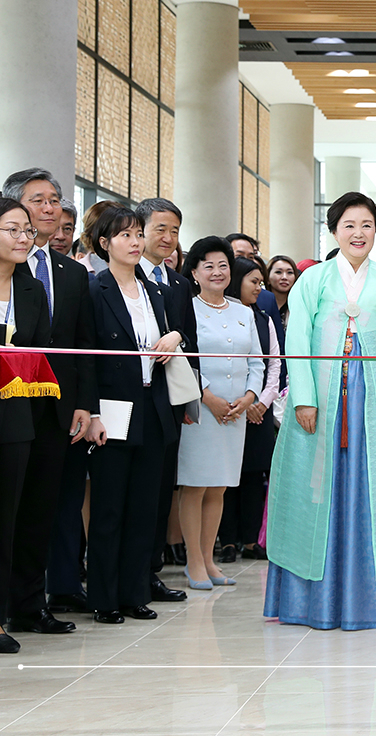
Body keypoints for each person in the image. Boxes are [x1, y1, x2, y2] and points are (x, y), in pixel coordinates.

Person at [265, 192, 376, 631]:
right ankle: (313, 599)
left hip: (375, 399)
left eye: (367, 225)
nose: (359, 233)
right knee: (314, 491)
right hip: (323, 399)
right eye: (349, 225)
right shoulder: (313, 280)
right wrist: (304, 398)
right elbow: (297, 341)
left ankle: (375, 602)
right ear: (334, 231)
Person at [2, 169, 96, 637]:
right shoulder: (10, 270)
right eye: (39, 199)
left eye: (56, 199)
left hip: (54, 407)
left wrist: (83, 403)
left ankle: (27, 604)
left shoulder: (70, 273)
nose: (50, 207)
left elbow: (80, 344)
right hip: (9, 406)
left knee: (41, 508)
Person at [83, 206, 182, 624]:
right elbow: (85, 357)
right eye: (124, 235)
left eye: (138, 234)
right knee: (110, 508)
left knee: (145, 507)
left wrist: (175, 335)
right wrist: (90, 413)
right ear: (105, 244)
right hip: (112, 408)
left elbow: (179, 334)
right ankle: (104, 598)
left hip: (153, 404)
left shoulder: (154, 291)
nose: (135, 242)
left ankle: (134, 592)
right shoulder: (93, 289)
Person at [176, 238, 264, 590]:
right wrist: (207, 396)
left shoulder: (243, 311)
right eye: (208, 265)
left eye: (223, 264)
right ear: (194, 272)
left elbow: (258, 360)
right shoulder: (187, 309)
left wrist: (249, 397)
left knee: (219, 488)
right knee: (195, 486)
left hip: (236, 412)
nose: (217, 271)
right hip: (200, 409)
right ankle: (194, 562)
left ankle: (210, 561)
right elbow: (185, 359)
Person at [135, 197, 196, 604]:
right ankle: (126, 575)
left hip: (168, 401)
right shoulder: (124, 275)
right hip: (130, 400)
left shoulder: (178, 282)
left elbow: (189, 338)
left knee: (160, 491)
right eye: (160, 228)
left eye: (175, 231)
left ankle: (151, 571)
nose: (169, 238)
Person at [0, 198, 53, 654]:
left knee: (6, 517)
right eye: (12, 229)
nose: (22, 238)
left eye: (27, 231)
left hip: (14, 413)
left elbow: (37, 350)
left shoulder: (31, 288)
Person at [218, 257, 280, 563]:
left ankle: (250, 539)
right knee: (229, 476)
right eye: (254, 281)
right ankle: (227, 540)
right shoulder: (224, 315)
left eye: (261, 283)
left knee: (255, 476)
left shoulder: (262, 317)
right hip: (227, 407)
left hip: (258, 409)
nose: (260, 288)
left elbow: (274, 363)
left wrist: (260, 402)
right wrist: (241, 403)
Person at [264, 255, 297, 329]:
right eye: (278, 272)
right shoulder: (260, 304)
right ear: (267, 277)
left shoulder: (297, 306)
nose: (284, 277)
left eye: (290, 272)